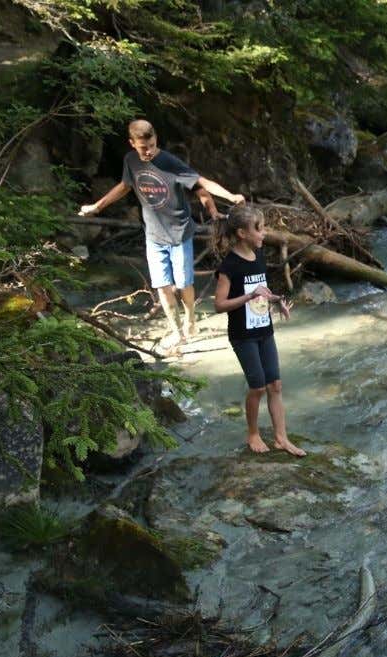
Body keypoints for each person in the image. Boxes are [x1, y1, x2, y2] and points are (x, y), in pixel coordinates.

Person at [78, 119, 245, 344]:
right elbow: (124, 186)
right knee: (162, 286)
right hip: (154, 236)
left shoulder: (170, 162)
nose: (148, 152)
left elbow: (202, 184)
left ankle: (190, 319)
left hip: (179, 234)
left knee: (184, 283)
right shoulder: (130, 161)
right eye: (143, 148)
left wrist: (229, 197)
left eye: (152, 145)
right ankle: (177, 332)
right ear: (132, 144)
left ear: (156, 139)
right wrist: (97, 207)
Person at [211, 204, 305, 457]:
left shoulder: (259, 256)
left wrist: (277, 302)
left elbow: (261, 292)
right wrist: (248, 295)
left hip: (265, 329)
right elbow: (219, 305)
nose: (264, 233)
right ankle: (252, 433)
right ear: (242, 233)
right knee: (258, 387)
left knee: (275, 384)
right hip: (243, 335)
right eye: (259, 229)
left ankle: (281, 438)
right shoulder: (230, 266)